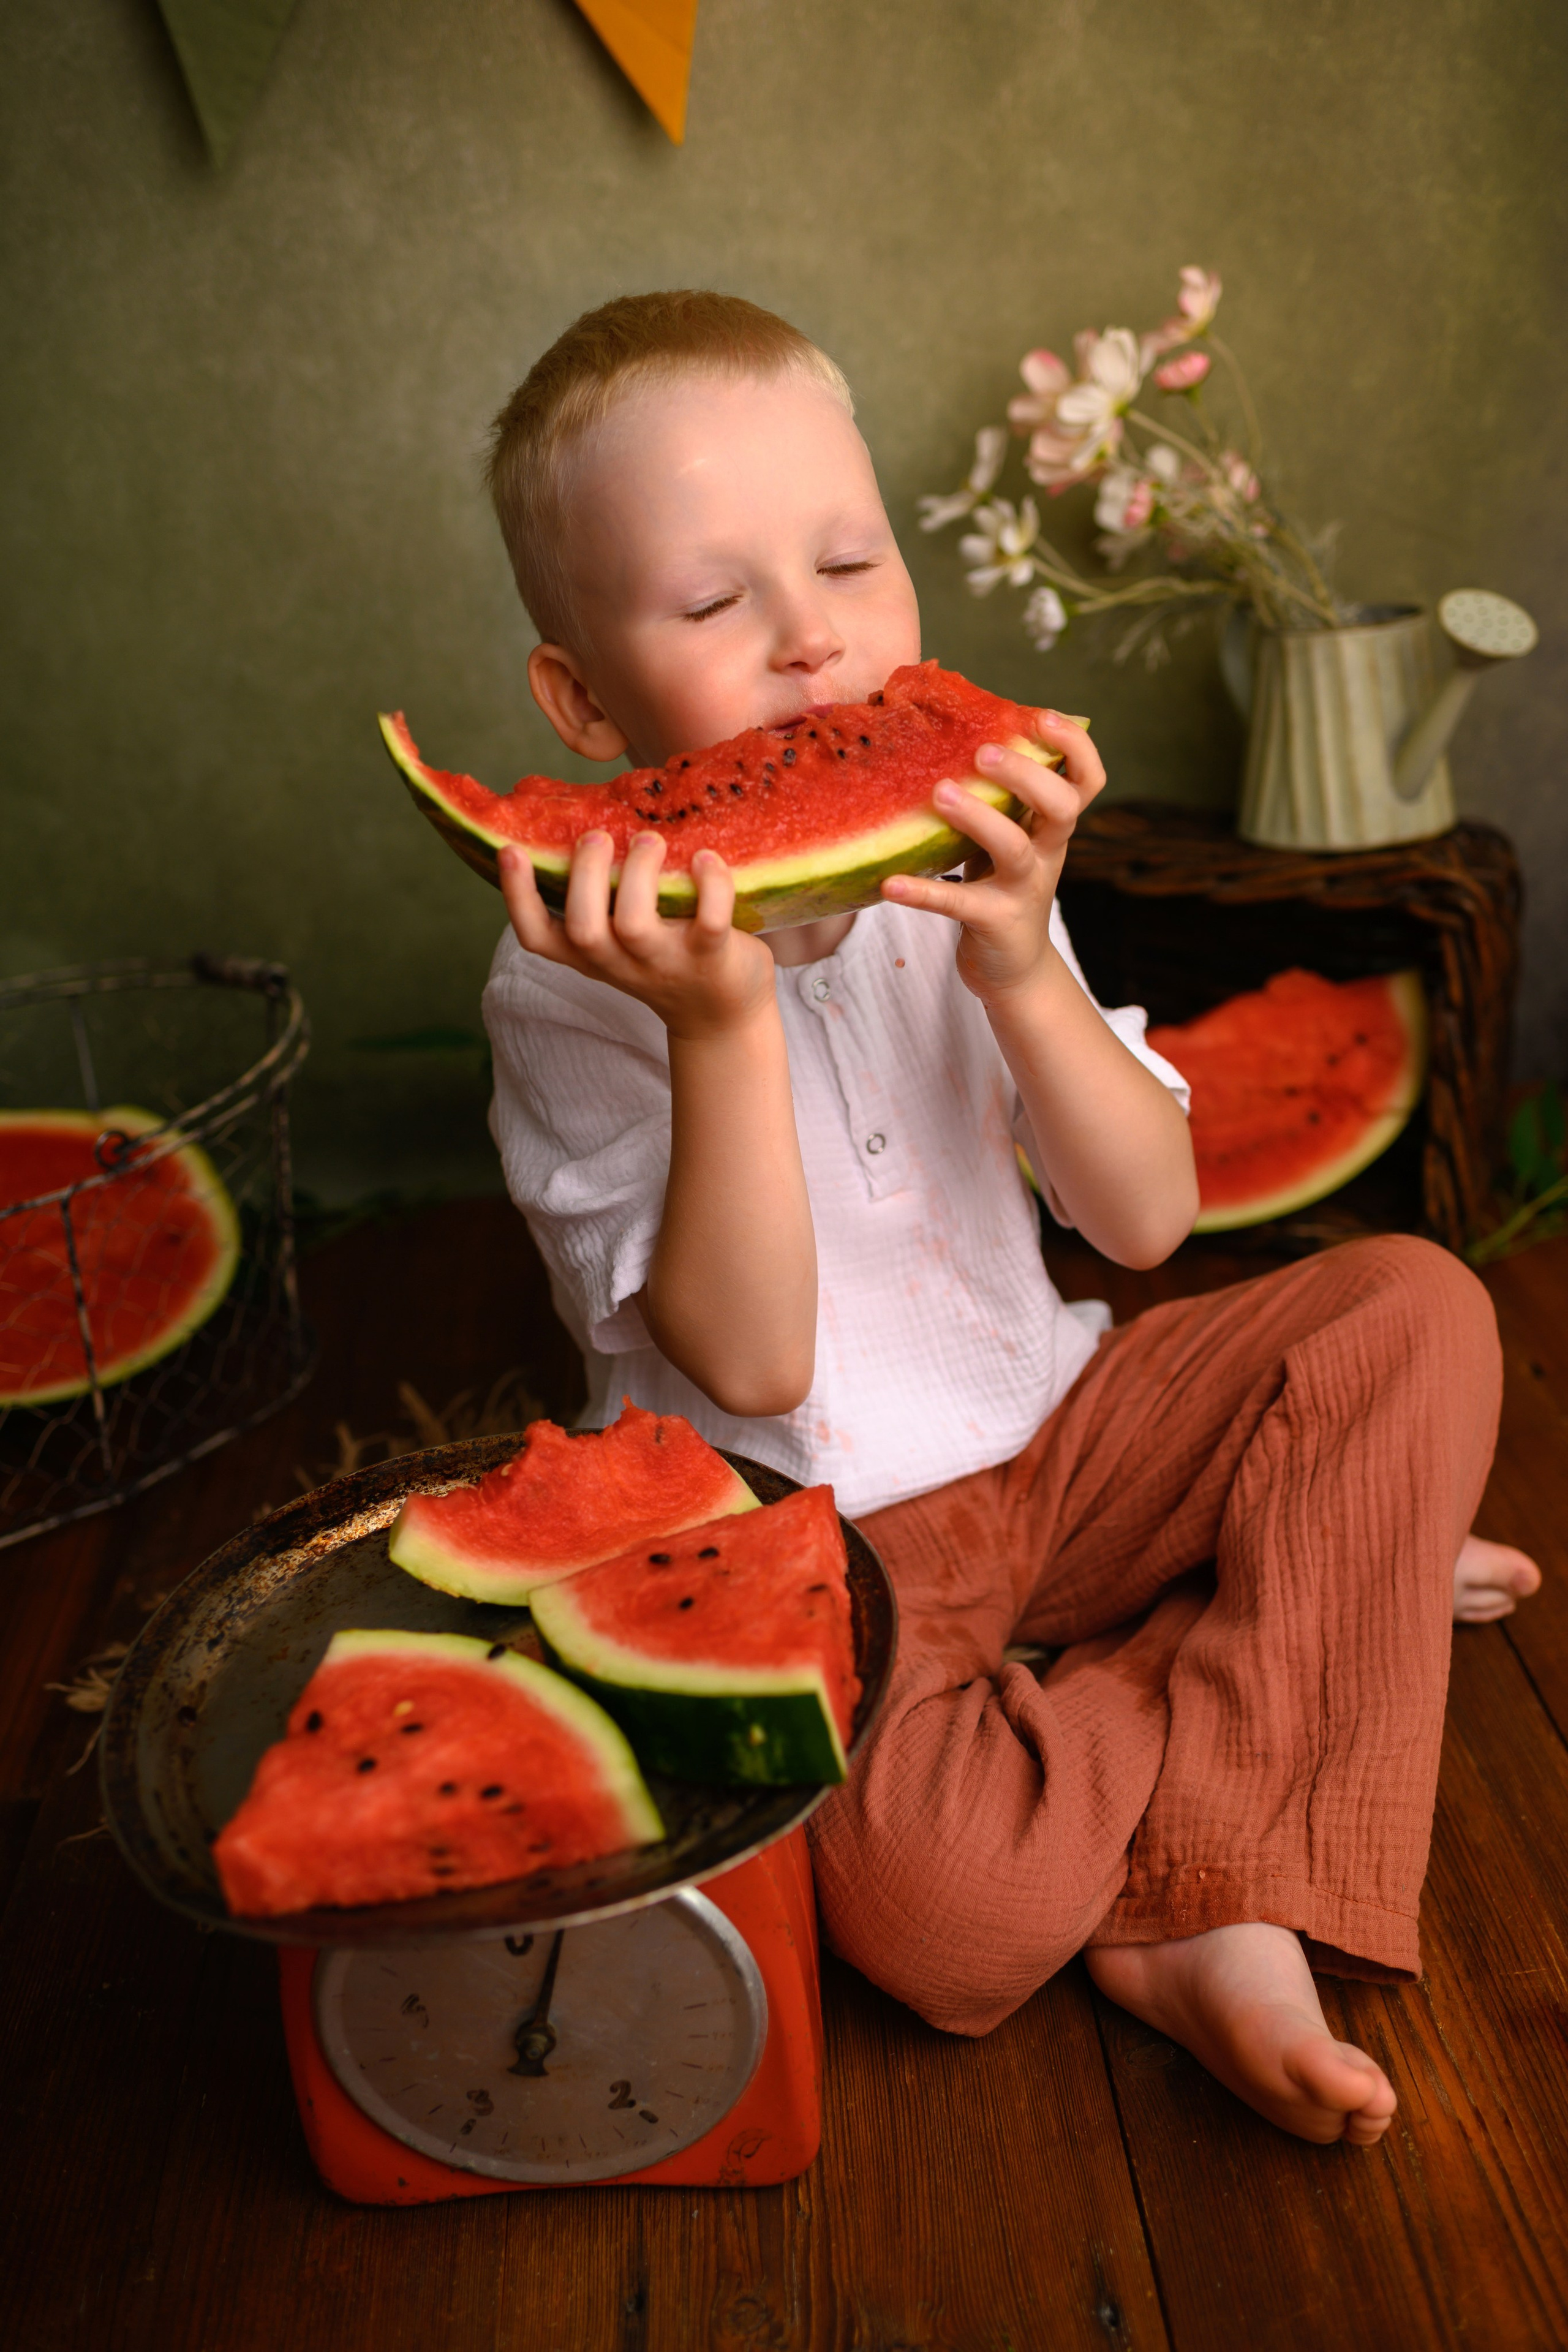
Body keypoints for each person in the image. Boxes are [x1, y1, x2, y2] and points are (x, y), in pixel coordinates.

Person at [479, 290, 1539, 2147]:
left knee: (1418, 1308)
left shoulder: (964, 854)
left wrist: (1025, 972)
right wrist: (716, 1022)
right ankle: (1296, 1617)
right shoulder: (567, 985)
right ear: (580, 700)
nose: (814, 641)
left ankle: (1249, 1722)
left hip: (1070, 1430)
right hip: (811, 1546)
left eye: (850, 561)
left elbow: (1142, 1225)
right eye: (717, 607)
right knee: (948, 1914)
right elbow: (752, 1356)